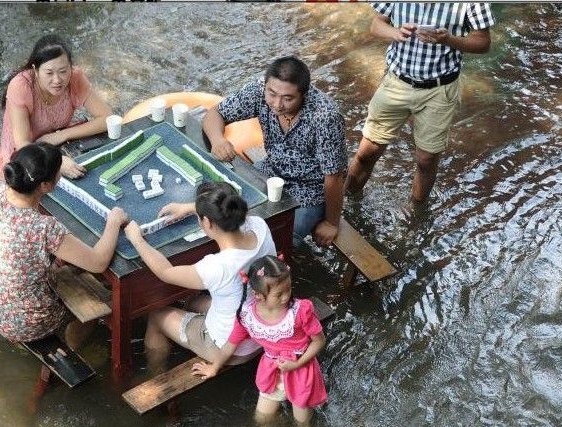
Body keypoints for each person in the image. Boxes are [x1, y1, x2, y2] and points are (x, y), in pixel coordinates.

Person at [0, 142, 127, 347]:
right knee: (99, 307)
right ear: (45, 186)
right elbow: (98, 262)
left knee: (63, 264)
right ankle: (74, 347)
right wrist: (114, 222)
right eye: (57, 173)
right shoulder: (44, 227)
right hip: (23, 322)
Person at [345, 3, 494, 202]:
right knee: (367, 151)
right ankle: (347, 200)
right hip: (396, 83)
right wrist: (396, 32)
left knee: (426, 160)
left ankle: (415, 215)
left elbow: (483, 42)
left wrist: (449, 39)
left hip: (440, 89)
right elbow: (376, 24)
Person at [203, 56, 348, 247]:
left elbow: (334, 177)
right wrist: (218, 140)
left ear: (304, 94)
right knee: (223, 209)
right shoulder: (259, 90)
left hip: (310, 189)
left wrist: (331, 222)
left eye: (288, 98)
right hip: (270, 170)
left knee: (278, 240)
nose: (277, 104)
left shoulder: (325, 117)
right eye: (272, 94)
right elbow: (216, 113)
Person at [124, 182, 275, 364]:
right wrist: (191, 208)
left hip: (231, 348)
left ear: (207, 222)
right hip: (263, 325)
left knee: (156, 316)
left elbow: (165, 272)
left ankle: (154, 372)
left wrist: (137, 239)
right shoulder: (260, 226)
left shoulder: (217, 266)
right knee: (192, 301)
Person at [192, 255, 327, 424]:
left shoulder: (300, 311)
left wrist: (297, 364)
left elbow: (319, 341)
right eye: (279, 294)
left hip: (301, 370)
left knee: (303, 425)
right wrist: (214, 367)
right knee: (262, 421)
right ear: (258, 296)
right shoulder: (247, 316)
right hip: (272, 372)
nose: (286, 297)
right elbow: (231, 344)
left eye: (289, 289)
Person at [0, 34, 113, 181]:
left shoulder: (75, 77)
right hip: (22, 159)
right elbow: (23, 146)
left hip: (56, 146)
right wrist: (57, 163)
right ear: (35, 71)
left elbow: (108, 118)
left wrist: (62, 135)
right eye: (49, 73)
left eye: (63, 71)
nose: (57, 80)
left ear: (70, 67)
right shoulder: (21, 86)